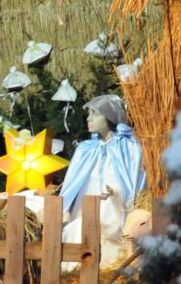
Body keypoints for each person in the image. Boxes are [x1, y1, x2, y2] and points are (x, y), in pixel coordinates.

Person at [59, 94, 145, 266]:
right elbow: (71, 185)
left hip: (114, 211)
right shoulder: (85, 149)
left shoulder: (129, 148)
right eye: (89, 113)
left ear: (109, 117)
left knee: (106, 247)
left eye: (95, 113)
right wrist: (64, 208)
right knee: (79, 229)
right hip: (84, 208)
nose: (88, 118)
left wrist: (116, 193)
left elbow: (136, 182)